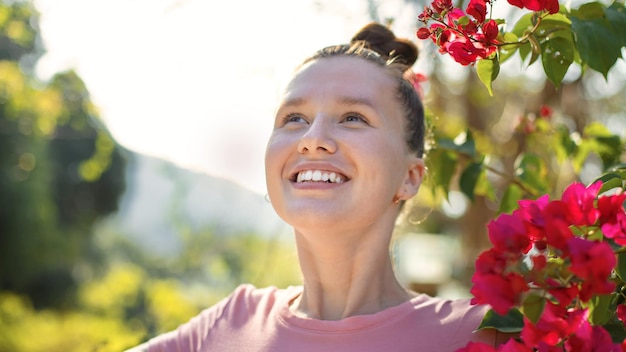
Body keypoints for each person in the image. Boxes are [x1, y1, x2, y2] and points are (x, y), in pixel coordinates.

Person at [126, 22, 509, 352]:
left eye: (353, 117)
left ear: (410, 177)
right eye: (294, 118)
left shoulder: (480, 335)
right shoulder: (226, 324)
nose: (312, 139)